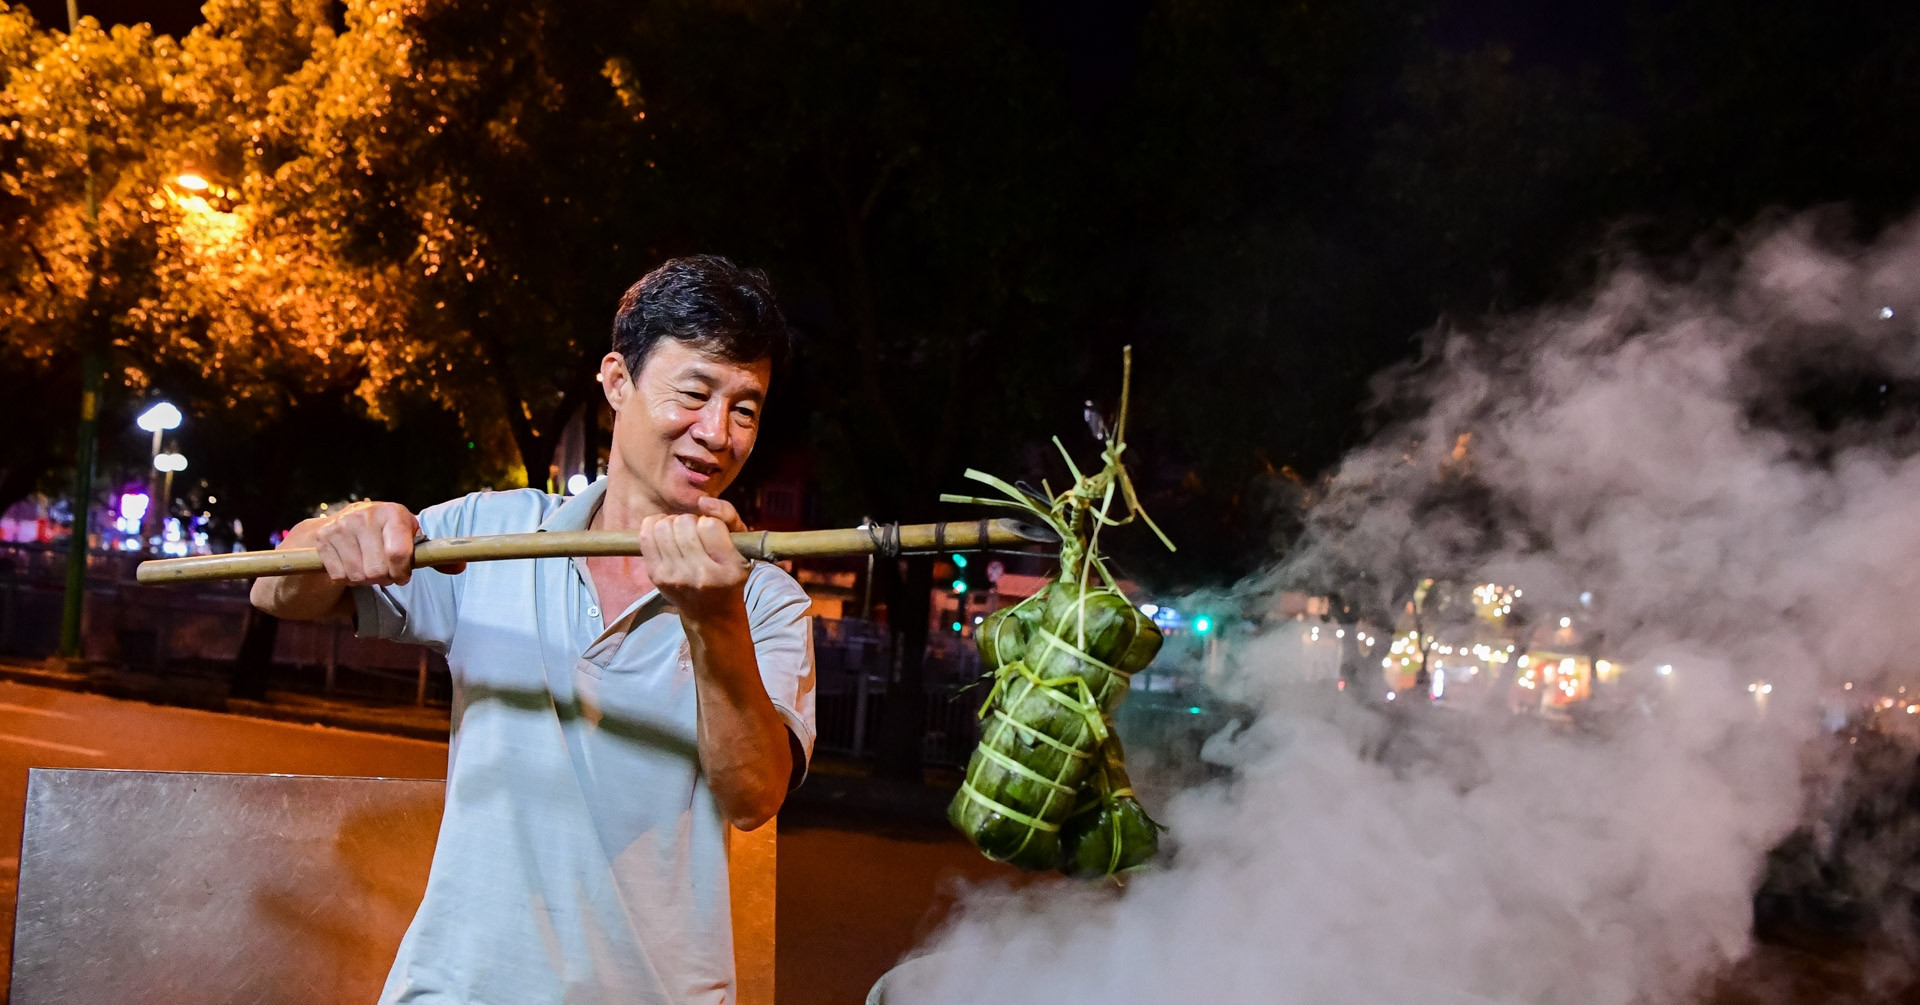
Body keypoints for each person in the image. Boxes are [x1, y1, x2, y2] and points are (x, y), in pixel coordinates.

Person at [251, 255, 815, 1004]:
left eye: (745, 409)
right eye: (694, 393)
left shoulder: (767, 599)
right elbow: (275, 591)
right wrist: (339, 533)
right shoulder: (496, 534)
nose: (717, 433)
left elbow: (753, 796)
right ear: (618, 381)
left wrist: (715, 620)